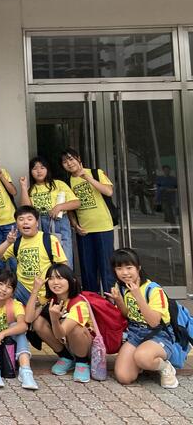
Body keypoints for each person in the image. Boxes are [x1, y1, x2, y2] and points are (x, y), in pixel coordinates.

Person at [107, 248, 181, 389]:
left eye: (129, 268)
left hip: (159, 335)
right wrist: (119, 300)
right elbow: (128, 315)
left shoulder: (153, 290)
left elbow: (154, 322)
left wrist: (138, 296)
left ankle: (165, 367)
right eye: (119, 268)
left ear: (138, 268)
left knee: (142, 357)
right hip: (135, 333)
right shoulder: (121, 287)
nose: (125, 273)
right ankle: (143, 362)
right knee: (124, 377)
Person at [25, 264, 93, 383]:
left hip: (87, 346)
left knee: (76, 328)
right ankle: (66, 357)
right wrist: (35, 290)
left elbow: (61, 333)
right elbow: (29, 318)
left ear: (72, 280)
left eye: (60, 278)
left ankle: (82, 362)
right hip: (67, 341)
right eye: (51, 278)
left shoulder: (79, 304)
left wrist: (54, 319)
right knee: (38, 322)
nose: (55, 282)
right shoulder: (50, 299)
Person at [60, 148, 115, 293]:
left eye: (71, 159)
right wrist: (75, 225)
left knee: (106, 268)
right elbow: (70, 208)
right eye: (65, 162)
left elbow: (109, 191)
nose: (69, 163)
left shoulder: (96, 173)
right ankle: (92, 300)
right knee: (88, 270)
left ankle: (111, 300)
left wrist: (87, 177)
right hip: (84, 230)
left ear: (78, 158)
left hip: (103, 227)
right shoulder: (67, 182)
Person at [0, 206, 68, 305]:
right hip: (22, 290)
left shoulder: (49, 239)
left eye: (29, 219)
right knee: (6, 287)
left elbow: (63, 265)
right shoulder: (16, 243)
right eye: (21, 219)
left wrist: (49, 294)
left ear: (37, 222)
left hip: (46, 290)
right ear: (17, 224)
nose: (25, 222)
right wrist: (8, 242)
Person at [0, 269, 38, 389]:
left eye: (9, 287)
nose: (3, 289)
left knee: (16, 327)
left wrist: (2, 334)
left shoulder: (15, 305)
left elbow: (23, 326)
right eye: (1, 284)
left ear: (13, 291)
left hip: (9, 351)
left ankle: (26, 371)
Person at [19, 156, 80, 269]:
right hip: (40, 225)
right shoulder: (31, 189)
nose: (39, 171)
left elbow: (76, 203)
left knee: (64, 259)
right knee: (45, 261)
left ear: (48, 169)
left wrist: (59, 207)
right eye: (35, 168)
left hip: (59, 223)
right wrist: (23, 187)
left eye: (42, 167)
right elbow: (26, 210)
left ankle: (66, 279)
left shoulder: (58, 184)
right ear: (30, 172)